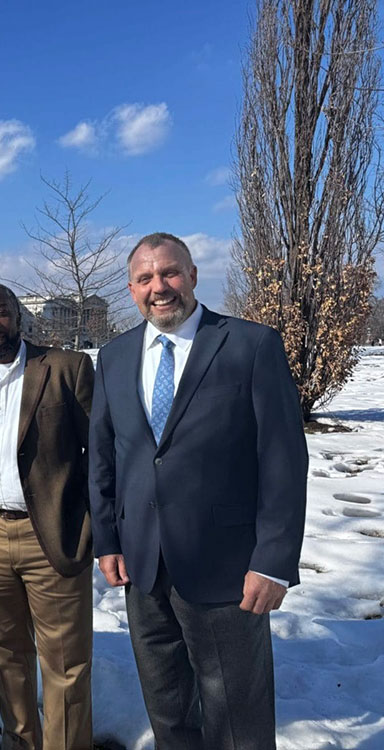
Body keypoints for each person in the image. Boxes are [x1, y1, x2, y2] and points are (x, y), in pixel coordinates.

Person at [89, 233, 307, 749]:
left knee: (238, 720)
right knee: (168, 712)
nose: (158, 287)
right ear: (131, 288)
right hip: (143, 567)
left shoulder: (250, 345)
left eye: (169, 273)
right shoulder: (115, 356)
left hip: (227, 567)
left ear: (192, 276)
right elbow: (103, 457)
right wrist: (107, 539)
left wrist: (273, 559)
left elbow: (282, 459)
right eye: (145, 278)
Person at [0, 283, 95, 750]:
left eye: (1, 312)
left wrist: (92, 525)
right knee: (6, 656)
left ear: (18, 316)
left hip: (50, 535)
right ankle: (19, 743)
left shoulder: (66, 368)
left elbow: (104, 454)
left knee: (65, 662)